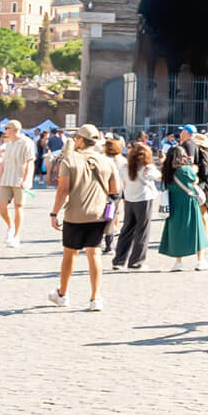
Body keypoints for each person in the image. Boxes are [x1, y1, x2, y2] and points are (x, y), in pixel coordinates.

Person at [46, 125, 121, 311]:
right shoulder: (107, 162)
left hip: (75, 214)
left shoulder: (69, 161)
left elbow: (63, 190)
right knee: (94, 254)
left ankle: (63, 294)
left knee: (69, 254)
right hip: (98, 214)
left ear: (80, 140)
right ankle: (95, 298)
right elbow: (115, 190)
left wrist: (54, 213)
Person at [157, 142, 208, 271]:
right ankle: (200, 260)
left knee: (176, 231)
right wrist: (193, 169)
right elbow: (194, 180)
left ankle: (178, 262)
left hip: (173, 202)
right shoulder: (185, 170)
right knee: (196, 230)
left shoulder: (167, 170)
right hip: (188, 202)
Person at [113, 140, 158, 270]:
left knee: (126, 230)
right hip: (144, 199)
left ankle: (119, 261)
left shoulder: (124, 168)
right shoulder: (147, 168)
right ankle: (136, 261)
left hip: (130, 199)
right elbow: (158, 176)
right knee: (142, 231)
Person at [0, 120, 35, 248]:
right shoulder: (8, 144)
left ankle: (16, 236)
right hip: (6, 179)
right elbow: (3, 164)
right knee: (1, 206)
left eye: (6, 128)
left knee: (18, 206)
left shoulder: (26, 142)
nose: (5, 130)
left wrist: (27, 179)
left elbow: (30, 161)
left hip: (19, 179)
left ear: (13, 129)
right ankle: (10, 225)